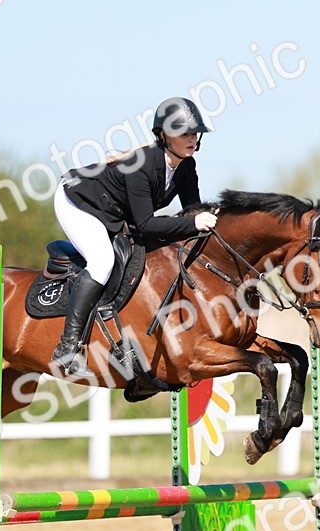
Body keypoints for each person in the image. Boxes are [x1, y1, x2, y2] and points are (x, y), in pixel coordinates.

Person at [51, 96, 218, 376]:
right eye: (185, 133)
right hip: (79, 202)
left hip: (114, 212)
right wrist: (194, 222)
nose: (192, 139)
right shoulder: (142, 165)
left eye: (195, 133)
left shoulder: (187, 166)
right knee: (103, 262)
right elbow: (146, 225)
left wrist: (214, 217)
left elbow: (193, 210)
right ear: (164, 136)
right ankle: (68, 348)